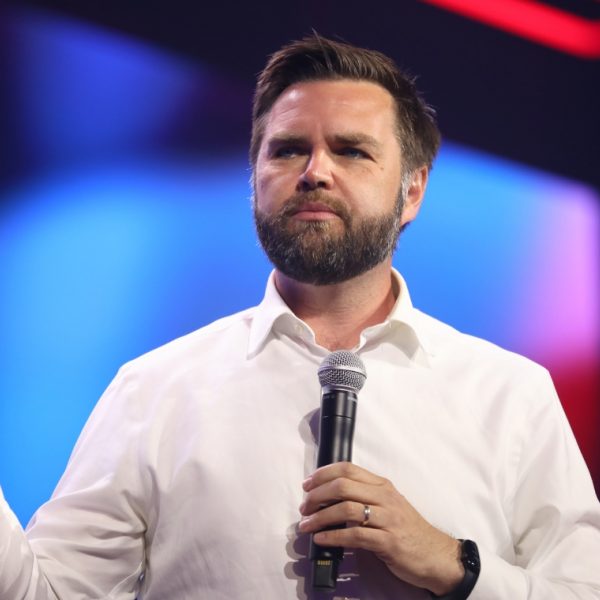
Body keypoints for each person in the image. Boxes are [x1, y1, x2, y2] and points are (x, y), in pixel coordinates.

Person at [1, 34, 599, 600]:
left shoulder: (511, 394)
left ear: (412, 191)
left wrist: (454, 563)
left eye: (351, 150)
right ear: (254, 178)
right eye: (288, 149)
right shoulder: (154, 390)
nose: (315, 171)